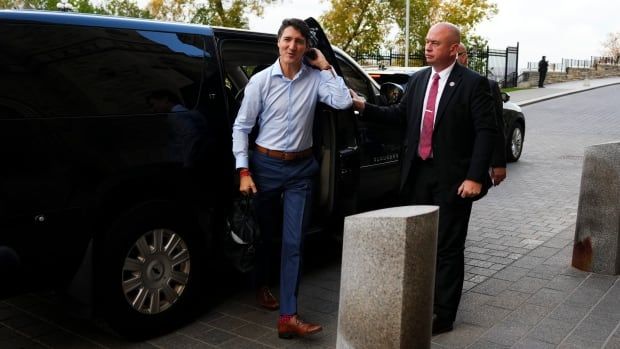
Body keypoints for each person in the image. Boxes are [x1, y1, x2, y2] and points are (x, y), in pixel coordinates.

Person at [350, 22, 496, 335]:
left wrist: (475, 177)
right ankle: (418, 299)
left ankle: (442, 315)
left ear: (454, 49)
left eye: (435, 43)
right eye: (427, 41)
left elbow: (486, 132)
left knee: (447, 246)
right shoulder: (417, 81)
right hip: (417, 174)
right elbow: (399, 116)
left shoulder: (473, 84)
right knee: (418, 240)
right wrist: (364, 106)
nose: (428, 47)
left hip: (454, 180)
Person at [232, 18, 352, 339]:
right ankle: (260, 284)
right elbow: (241, 127)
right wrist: (243, 170)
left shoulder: (315, 79)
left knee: (294, 242)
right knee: (264, 235)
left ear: (306, 47)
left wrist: (326, 66)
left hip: (301, 169)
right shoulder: (260, 81)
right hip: (264, 166)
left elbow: (341, 101)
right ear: (278, 43)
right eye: (287, 39)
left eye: (299, 41)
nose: (292, 46)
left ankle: (288, 316)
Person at [457, 44, 506, 185]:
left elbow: (495, 125)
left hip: (469, 159)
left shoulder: (485, 85)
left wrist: (498, 163)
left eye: (455, 54)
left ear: (464, 57)